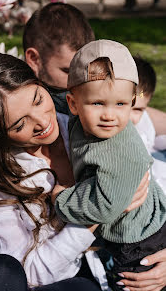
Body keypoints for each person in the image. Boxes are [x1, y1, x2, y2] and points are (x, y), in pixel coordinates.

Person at [0, 51, 150, 291]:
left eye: (37, 100)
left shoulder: (83, 120)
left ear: (38, 82)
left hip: (120, 259)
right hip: (57, 280)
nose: (42, 122)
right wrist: (99, 209)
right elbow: (27, 271)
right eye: (20, 123)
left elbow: (146, 178)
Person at [53, 40, 166, 291]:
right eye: (97, 103)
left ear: (132, 101)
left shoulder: (119, 152)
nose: (109, 115)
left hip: (138, 241)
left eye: (121, 104)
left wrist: (61, 199)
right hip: (127, 230)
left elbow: (104, 205)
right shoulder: (80, 111)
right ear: (74, 104)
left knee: (129, 284)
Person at [23, 2, 166, 133]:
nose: (83, 79)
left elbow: (140, 107)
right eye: (68, 70)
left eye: (86, 68)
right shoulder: (36, 104)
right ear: (34, 59)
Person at [130, 56, 166, 194]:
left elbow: (149, 142)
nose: (129, 117)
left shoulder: (144, 122)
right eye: (122, 105)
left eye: (138, 109)